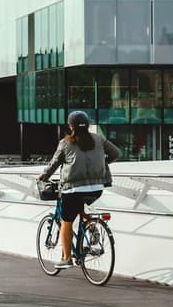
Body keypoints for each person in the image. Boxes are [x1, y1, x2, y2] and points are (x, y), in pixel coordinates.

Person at [38, 111, 120, 269]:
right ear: (87, 125)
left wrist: (43, 177)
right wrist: (103, 163)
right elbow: (116, 153)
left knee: (66, 221)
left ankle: (67, 258)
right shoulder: (99, 139)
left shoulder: (65, 143)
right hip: (97, 188)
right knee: (80, 206)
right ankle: (90, 225)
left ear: (70, 126)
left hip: (73, 189)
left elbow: (53, 165)